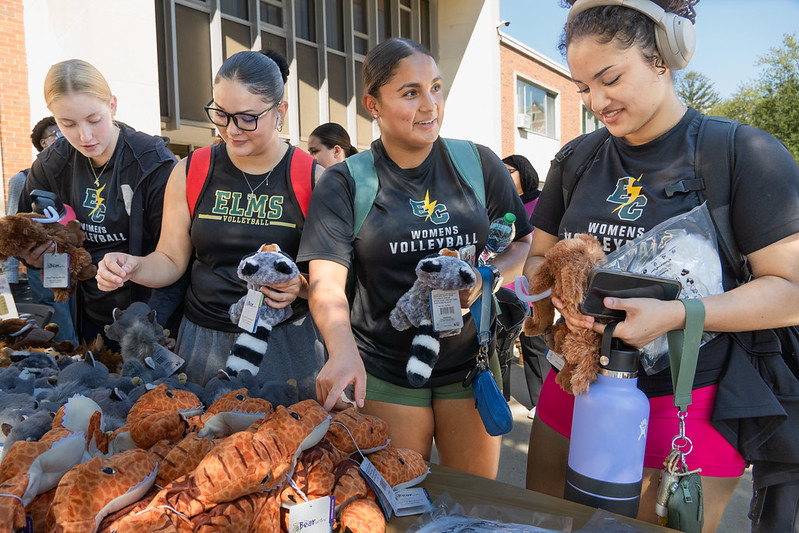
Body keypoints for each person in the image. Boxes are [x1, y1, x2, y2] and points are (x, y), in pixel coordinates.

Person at [523, 1, 799, 531]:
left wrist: (678, 315)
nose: (597, 102)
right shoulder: (577, 158)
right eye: (582, 88)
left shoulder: (742, 153)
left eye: (610, 79)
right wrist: (557, 289)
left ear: (661, 59)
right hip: (574, 388)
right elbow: (539, 255)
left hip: (688, 402)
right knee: (549, 524)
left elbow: (790, 289)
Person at [297, 37, 532, 479]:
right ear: (373, 104)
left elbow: (522, 243)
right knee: (402, 505)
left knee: (475, 506)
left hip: (472, 366)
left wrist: (487, 279)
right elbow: (326, 282)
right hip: (386, 370)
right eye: (410, 93)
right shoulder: (345, 182)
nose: (430, 106)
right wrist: (341, 349)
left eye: (436, 88)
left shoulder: (479, 163)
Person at [96, 50, 326, 394]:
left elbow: (334, 282)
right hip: (204, 343)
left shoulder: (311, 177)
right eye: (221, 114)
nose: (231, 130)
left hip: (285, 343)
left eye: (247, 118)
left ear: (280, 112)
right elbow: (171, 259)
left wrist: (302, 286)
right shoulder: (192, 169)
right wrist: (132, 266)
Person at [17, 59, 183, 346]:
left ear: (113, 106)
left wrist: (155, 325)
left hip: (153, 315)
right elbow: (22, 232)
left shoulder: (152, 162)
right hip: (88, 314)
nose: (85, 136)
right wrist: (31, 256)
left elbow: (175, 258)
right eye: (67, 124)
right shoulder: (51, 165)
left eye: (95, 120)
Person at [3, 116, 79, 343]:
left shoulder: (75, 177)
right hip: (43, 267)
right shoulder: (23, 178)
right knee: (60, 328)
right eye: (55, 133)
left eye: (64, 131)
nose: (61, 136)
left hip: (74, 265)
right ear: (42, 144)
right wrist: (10, 279)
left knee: (81, 325)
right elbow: (11, 228)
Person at [501, 154, 549, 419]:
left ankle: (540, 403)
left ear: (523, 171)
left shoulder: (541, 203)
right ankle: (500, 400)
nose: (503, 175)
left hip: (534, 289)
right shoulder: (502, 203)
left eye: (508, 170)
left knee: (535, 348)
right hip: (504, 288)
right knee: (502, 348)